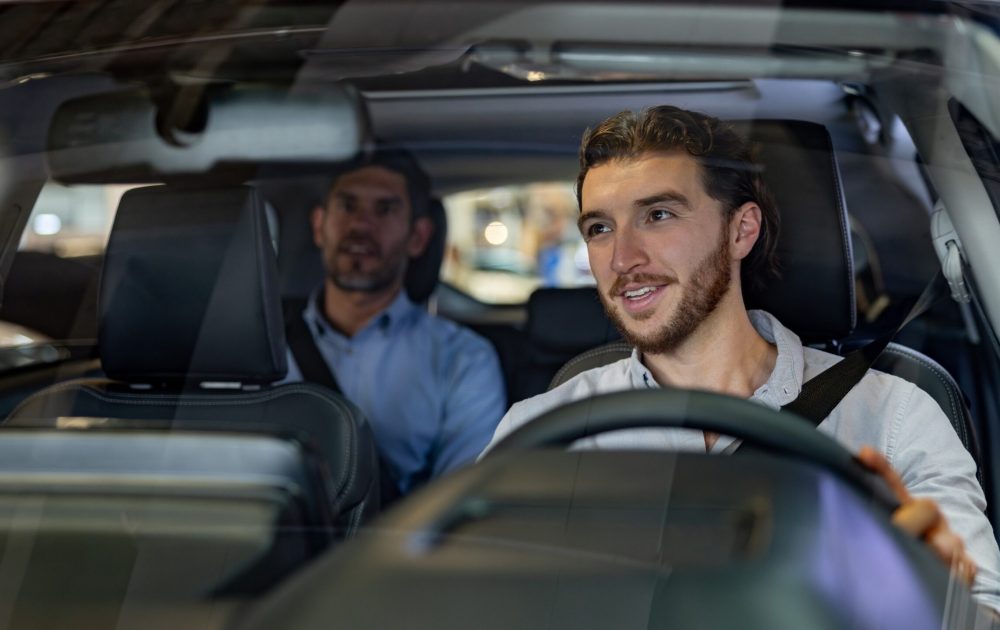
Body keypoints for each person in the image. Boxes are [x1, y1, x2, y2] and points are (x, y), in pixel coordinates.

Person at [482, 106, 1000, 611]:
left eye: (658, 215)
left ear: (740, 230)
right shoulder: (542, 432)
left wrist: (934, 601)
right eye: (599, 228)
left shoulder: (892, 417)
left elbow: (982, 607)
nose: (623, 260)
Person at [285, 148, 506, 495]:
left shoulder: (462, 361)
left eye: (385, 209)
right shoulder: (257, 351)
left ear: (417, 237)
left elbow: (457, 507)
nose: (360, 224)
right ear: (319, 226)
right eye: (347, 206)